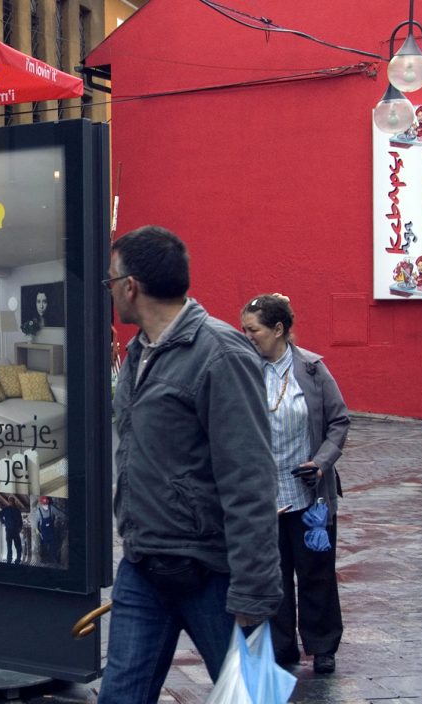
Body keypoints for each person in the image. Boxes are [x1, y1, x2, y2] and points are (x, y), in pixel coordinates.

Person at [100, 225, 281, 703]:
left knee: (251, 699)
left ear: (130, 286)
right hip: (143, 565)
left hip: (212, 574)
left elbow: (251, 479)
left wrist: (254, 593)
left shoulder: (220, 354)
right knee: (119, 697)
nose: (110, 289)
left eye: (110, 279)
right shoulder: (138, 352)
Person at [240, 293, 349, 675]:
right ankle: (281, 647)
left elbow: (339, 422)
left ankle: (322, 647)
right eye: (244, 329)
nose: (247, 336)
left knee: (316, 572)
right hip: (262, 498)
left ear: (279, 329)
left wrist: (320, 464)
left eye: (253, 329)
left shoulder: (313, 369)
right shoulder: (244, 370)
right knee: (274, 576)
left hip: (309, 495)